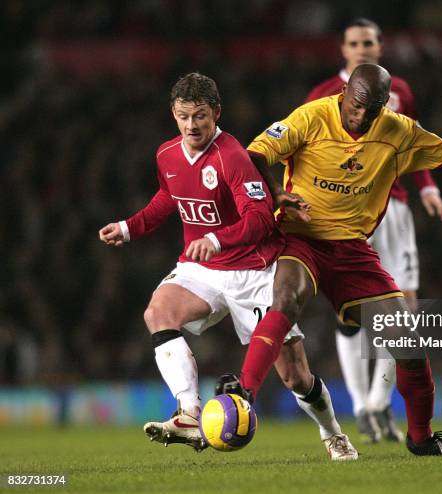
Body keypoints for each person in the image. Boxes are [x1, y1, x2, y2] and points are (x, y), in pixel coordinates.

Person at [218, 63, 442, 457]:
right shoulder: (311, 116)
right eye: (356, 105)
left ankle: (421, 438)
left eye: (372, 109)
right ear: (344, 92)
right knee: (286, 297)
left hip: (353, 251)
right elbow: (252, 156)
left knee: (408, 342)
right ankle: (243, 393)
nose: (361, 116)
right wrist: (273, 194)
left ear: (384, 104)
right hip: (299, 237)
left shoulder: (398, 131)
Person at [98, 72, 357, 460]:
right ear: (173, 114)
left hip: (253, 270)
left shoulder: (231, 156)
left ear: (216, 113)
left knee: (296, 377)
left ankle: (333, 434)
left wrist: (216, 238)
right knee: (158, 312)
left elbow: (261, 219)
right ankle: (188, 413)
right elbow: (170, 197)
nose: (191, 125)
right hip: (201, 268)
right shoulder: (167, 154)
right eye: (184, 116)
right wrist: (129, 227)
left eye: (200, 116)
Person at [304, 18, 442, 443]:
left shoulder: (399, 91)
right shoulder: (321, 95)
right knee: (352, 312)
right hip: (347, 209)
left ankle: (378, 402)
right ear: (343, 49)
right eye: (354, 42)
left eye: (369, 41)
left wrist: (428, 189)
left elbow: (418, 147)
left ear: (381, 46)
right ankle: (362, 405)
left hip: (396, 207)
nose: (362, 48)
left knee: (405, 310)